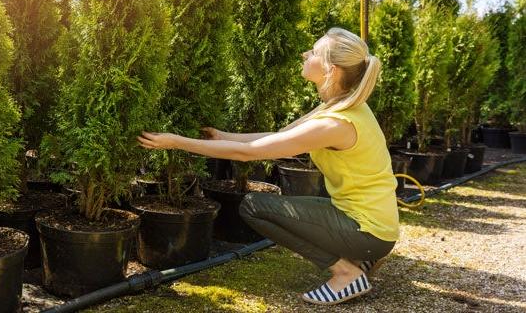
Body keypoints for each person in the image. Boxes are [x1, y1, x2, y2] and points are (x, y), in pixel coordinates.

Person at [137, 27, 399, 305]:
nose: (305, 53)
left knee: (253, 207)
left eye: (314, 51)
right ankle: (361, 258)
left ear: (330, 70)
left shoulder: (334, 123)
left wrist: (176, 142)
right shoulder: (345, 106)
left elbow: (248, 153)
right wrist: (223, 136)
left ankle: (346, 273)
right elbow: (278, 137)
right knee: (280, 207)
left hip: (367, 230)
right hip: (373, 225)